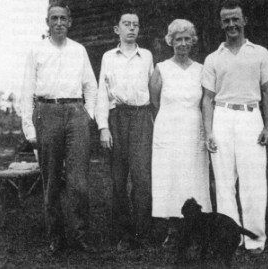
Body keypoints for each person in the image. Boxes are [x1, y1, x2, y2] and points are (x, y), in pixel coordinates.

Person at [21, 1, 98, 254]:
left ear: (70, 21)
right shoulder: (36, 51)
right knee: (51, 181)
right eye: (53, 19)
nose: (58, 23)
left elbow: (91, 86)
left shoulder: (79, 50)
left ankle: (81, 236)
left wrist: (88, 115)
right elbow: (27, 92)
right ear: (47, 22)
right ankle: (56, 237)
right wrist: (29, 128)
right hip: (47, 113)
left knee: (79, 183)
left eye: (63, 18)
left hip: (76, 113)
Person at [202, 0, 268, 254]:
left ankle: (255, 239)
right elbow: (208, 99)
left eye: (236, 19)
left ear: (244, 21)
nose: (231, 24)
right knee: (223, 183)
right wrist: (209, 131)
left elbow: (267, 92)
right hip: (222, 118)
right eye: (226, 20)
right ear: (221, 24)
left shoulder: (260, 52)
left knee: (253, 180)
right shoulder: (213, 58)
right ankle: (229, 237)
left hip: (250, 118)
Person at [96, 8, 154, 250]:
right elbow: (101, 93)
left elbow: (155, 89)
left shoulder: (148, 56)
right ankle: (123, 234)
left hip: (141, 118)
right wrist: (103, 128)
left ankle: (143, 233)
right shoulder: (108, 57)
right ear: (116, 29)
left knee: (142, 178)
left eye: (135, 24)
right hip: (117, 118)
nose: (131, 28)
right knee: (119, 180)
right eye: (126, 24)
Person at [150, 19, 212, 243]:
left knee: (193, 175)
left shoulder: (201, 70)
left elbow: (206, 100)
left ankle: (196, 228)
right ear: (170, 41)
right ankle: (173, 230)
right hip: (168, 128)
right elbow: (155, 101)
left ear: (193, 41)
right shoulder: (161, 69)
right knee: (170, 176)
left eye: (187, 39)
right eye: (178, 39)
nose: (183, 43)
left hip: (193, 129)